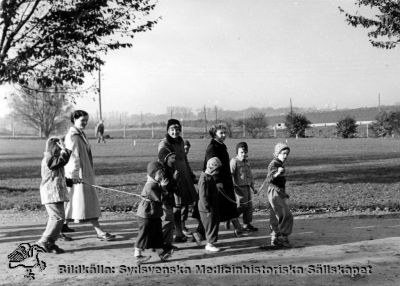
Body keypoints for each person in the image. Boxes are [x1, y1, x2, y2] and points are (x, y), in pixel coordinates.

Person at [64, 110, 115, 241]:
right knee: (85, 202)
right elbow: (73, 157)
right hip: (78, 175)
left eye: (86, 120)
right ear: (74, 120)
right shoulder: (73, 136)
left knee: (73, 201)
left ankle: (61, 226)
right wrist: (74, 175)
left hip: (83, 173)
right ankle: (99, 231)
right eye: (83, 120)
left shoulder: (80, 133)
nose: (85, 123)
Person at [203, 123, 247, 237]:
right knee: (216, 209)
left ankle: (238, 228)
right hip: (216, 183)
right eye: (221, 133)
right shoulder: (212, 148)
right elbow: (211, 165)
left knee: (229, 206)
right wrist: (217, 181)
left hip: (225, 181)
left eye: (225, 132)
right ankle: (203, 233)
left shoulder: (221, 145)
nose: (223, 135)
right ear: (214, 134)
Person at [158, 119, 198, 242]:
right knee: (176, 206)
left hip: (185, 176)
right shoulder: (164, 144)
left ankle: (181, 228)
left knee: (184, 204)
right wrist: (170, 179)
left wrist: (190, 174)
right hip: (174, 178)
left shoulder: (180, 141)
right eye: (172, 129)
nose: (175, 132)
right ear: (168, 130)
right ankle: (178, 233)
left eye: (177, 129)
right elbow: (163, 163)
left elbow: (185, 160)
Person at [36, 137, 72, 254]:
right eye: (59, 147)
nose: (61, 149)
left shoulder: (54, 159)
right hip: (50, 193)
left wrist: (70, 181)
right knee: (57, 218)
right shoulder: (49, 158)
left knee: (60, 218)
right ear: (54, 147)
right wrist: (64, 149)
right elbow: (60, 161)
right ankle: (44, 241)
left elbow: (57, 175)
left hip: (56, 192)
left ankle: (50, 243)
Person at [134, 161, 174, 263]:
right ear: (152, 174)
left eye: (162, 173)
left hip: (154, 214)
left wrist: (162, 187)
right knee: (144, 234)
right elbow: (160, 198)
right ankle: (137, 254)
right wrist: (163, 188)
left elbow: (159, 191)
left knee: (157, 233)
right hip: (145, 216)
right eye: (159, 173)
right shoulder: (150, 186)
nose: (162, 175)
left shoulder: (155, 184)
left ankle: (161, 253)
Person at [265, 142, 293, 248]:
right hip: (274, 191)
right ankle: (283, 236)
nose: (285, 156)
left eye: (287, 154)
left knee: (275, 216)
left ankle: (275, 237)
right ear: (277, 153)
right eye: (283, 153)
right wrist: (277, 173)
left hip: (278, 191)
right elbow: (269, 179)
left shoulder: (279, 164)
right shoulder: (274, 164)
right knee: (286, 215)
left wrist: (283, 193)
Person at [230, 142, 258, 232]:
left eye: (245, 152)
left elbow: (250, 175)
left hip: (247, 187)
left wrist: (253, 188)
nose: (243, 154)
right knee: (243, 205)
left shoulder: (246, 162)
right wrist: (231, 186)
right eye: (241, 152)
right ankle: (231, 216)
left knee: (249, 207)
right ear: (237, 152)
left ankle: (247, 224)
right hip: (238, 188)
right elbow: (230, 174)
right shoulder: (234, 161)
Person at [198, 157, 222, 252]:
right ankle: (209, 244)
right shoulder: (204, 179)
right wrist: (207, 208)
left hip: (211, 206)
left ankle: (208, 240)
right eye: (217, 170)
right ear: (212, 168)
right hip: (207, 208)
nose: (218, 172)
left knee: (213, 223)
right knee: (211, 225)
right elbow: (203, 195)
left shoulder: (209, 177)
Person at [158, 147, 179, 251]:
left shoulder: (171, 168)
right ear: (165, 159)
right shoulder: (163, 171)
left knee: (170, 222)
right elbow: (166, 187)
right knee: (166, 222)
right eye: (171, 158)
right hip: (164, 201)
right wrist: (174, 179)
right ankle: (159, 244)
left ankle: (168, 243)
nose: (173, 159)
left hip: (170, 199)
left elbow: (173, 187)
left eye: (174, 157)